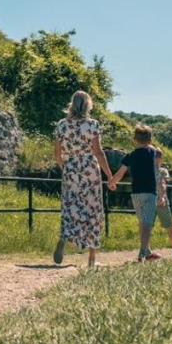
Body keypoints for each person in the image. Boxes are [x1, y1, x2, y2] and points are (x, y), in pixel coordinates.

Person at [53, 90, 114, 269]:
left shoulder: (61, 125)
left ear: (72, 104)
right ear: (88, 105)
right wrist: (109, 175)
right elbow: (98, 152)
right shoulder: (92, 125)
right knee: (93, 209)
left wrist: (66, 168)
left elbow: (57, 154)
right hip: (89, 168)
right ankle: (91, 260)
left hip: (71, 167)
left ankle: (65, 236)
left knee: (71, 205)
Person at [114, 124, 165, 261]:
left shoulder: (130, 155)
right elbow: (157, 173)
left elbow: (120, 172)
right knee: (148, 223)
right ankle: (143, 252)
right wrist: (162, 194)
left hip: (135, 192)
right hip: (150, 192)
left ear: (134, 139)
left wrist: (113, 182)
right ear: (150, 139)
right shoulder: (153, 153)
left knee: (143, 222)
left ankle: (147, 250)